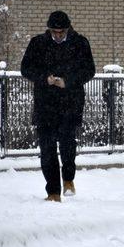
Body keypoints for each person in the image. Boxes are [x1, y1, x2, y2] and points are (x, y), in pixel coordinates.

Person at [21, 11, 95, 202]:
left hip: (70, 103)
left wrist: (67, 81)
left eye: (61, 32)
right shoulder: (38, 43)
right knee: (47, 149)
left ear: (68, 28)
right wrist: (45, 79)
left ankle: (68, 178)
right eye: (55, 32)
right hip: (45, 104)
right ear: (49, 29)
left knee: (67, 144)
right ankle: (53, 192)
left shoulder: (80, 43)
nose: (58, 35)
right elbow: (26, 68)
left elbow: (89, 70)